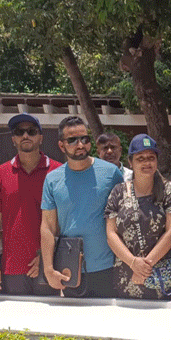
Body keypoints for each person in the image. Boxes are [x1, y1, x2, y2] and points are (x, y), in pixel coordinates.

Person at [40, 116, 124, 298]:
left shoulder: (111, 174)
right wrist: (48, 269)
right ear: (61, 146)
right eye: (72, 140)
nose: (80, 145)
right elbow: (48, 227)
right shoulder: (52, 180)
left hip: (109, 267)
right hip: (70, 268)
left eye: (84, 139)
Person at [0, 113, 61, 295]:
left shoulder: (58, 171)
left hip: (49, 265)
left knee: (46, 322)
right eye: (19, 132)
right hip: (13, 265)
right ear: (13, 139)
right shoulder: (1, 173)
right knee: (15, 322)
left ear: (40, 137)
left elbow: (65, 220)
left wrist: (46, 258)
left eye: (31, 131)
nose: (25, 136)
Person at [105, 134, 171, 299]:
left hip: (160, 278)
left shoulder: (169, 190)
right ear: (131, 163)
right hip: (126, 277)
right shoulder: (118, 192)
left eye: (151, 158)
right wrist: (133, 263)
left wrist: (144, 268)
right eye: (140, 158)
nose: (147, 163)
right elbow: (111, 234)